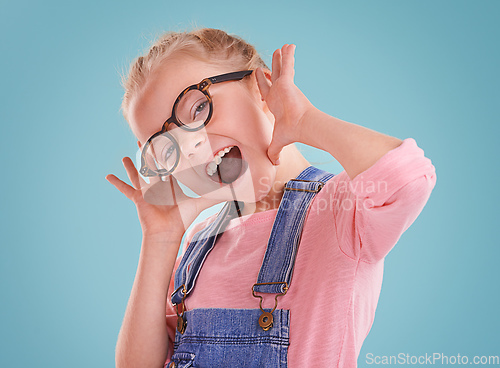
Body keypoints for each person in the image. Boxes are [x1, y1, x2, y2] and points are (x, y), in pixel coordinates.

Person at [106, 28, 437, 368]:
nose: (190, 147)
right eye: (165, 147)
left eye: (199, 107)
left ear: (262, 90)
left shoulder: (338, 210)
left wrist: (306, 121)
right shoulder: (199, 242)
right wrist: (160, 240)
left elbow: (407, 179)